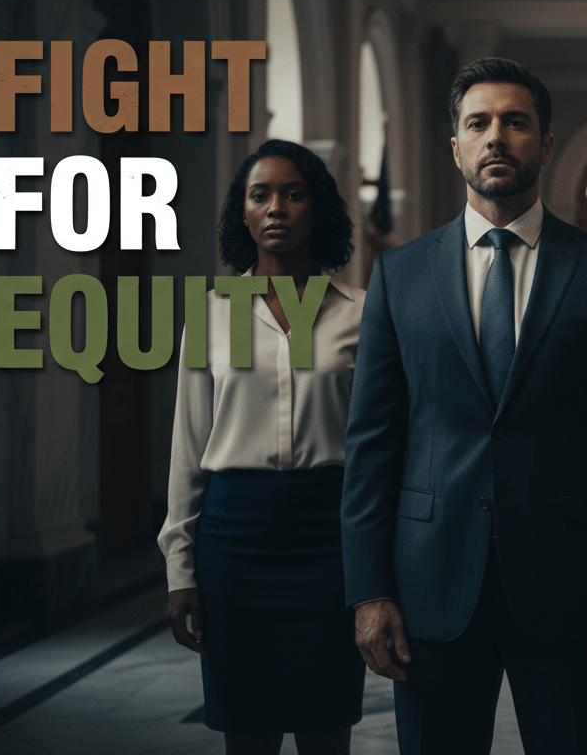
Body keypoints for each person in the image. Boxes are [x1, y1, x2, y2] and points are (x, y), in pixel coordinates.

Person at [341, 57, 587, 755]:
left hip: (571, 587)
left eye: (516, 122)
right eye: (478, 122)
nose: (497, 137)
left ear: (545, 145)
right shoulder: (399, 275)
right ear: (455, 144)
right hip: (430, 583)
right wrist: (368, 591)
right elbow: (372, 444)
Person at [160, 139, 367, 755]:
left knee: (327, 726)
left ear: (317, 210)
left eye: (293, 193)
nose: (276, 207)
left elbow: (383, 445)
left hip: (330, 539)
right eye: (260, 195)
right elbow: (188, 446)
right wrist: (179, 567)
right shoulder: (212, 315)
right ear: (243, 215)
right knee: (246, 731)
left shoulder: (363, 315)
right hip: (235, 542)